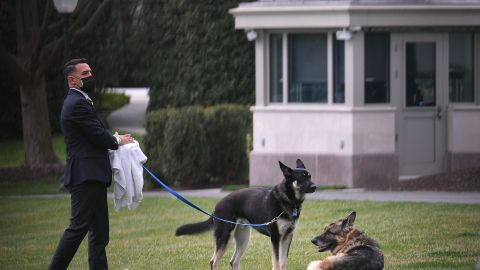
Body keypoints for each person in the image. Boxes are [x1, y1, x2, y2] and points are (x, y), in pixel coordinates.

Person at [49, 58, 134, 270]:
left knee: (99, 232)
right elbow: (96, 134)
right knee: (78, 228)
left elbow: (92, 134)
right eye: (84, 74)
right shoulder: (76, 103)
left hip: (93, 175)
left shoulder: (81, 100)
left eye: (90, 72)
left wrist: (114, 138)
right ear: (72, 80)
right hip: (85, 176)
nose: (90, 77)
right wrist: (116, 141)